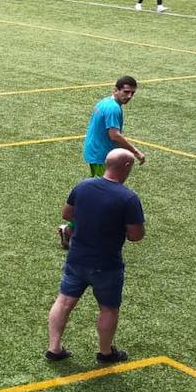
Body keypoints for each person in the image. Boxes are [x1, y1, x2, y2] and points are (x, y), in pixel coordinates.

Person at [46, 149, 145, 365]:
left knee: (63, 301)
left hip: (76, 258)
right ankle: (105, 353)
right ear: (126, 167)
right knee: (108, 308)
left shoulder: (83, 185)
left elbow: (67, 213)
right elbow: (136, 236)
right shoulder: (128, 198)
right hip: (106, 264)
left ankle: (54, 348)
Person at [62, 76, 145, 248]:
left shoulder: (106, 102)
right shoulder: (113, 108)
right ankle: (70, 230)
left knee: (99, 194)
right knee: (100, 196)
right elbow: (114, 135)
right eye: (126, 92)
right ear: (116, 90)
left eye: (132, 93)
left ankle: (76, 228)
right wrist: (135, 152)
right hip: (101, 156)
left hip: (95, 152)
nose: (129, 96)